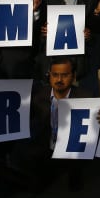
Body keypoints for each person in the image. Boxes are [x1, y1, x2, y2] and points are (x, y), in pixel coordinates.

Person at [26, 57, 89, 191]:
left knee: (75, 181)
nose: (59, 79)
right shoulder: (38, 96)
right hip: (47, 146)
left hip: (72, 149)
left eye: (65, 75)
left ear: (73, 77)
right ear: (49, 75)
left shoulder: (84, 97)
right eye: (55, 75)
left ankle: (74, 176)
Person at [35, 0, 92, 85]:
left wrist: (89, 35)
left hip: (76, 64)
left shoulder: (87, 2)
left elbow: (95, 32)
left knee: (72, 100)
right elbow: (36, 28)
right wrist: (43, 32)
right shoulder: (48, 0)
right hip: (52, 63)